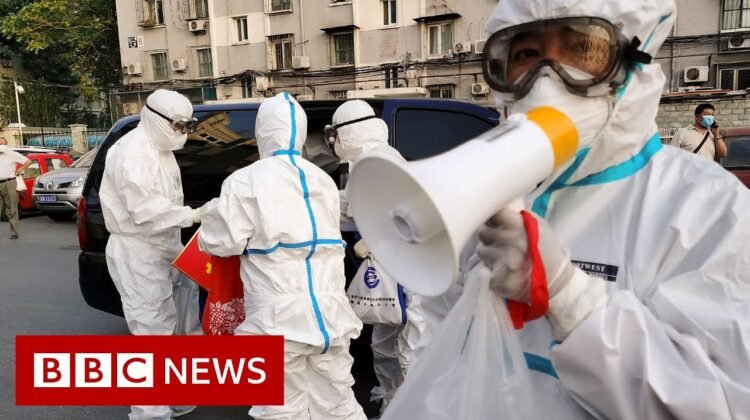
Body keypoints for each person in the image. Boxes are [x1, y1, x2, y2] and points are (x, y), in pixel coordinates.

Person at [413, 0, 750, 418]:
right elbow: (441, 352)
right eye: (526, 54)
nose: (546, 82)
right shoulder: (488, 194)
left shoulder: (709, 210)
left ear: (634, 62)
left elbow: (720, 404)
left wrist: (567, 295)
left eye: (581, 50)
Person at [198, 92, 366, 420]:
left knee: (280, 408)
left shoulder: (245, 181)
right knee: (338, 402)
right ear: (300, 132)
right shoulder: (322, 180)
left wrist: (212, 215)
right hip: (331, 315)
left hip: (276, 320)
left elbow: (220, 242)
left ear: (262, 131)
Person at [100, 89, 202, 420]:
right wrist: (193, 215)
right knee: (151, 332)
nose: (182, 133)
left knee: (179, 323)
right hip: (137, 251)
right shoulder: (131, 152)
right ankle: (150, 413)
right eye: (178, 126)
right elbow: (143, 209)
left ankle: (174, 396)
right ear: (156, 119)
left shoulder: (162, 150)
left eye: (187, 126)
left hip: (164, 245)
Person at [327, 100, 425, 415]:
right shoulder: (366, 162)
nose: (334, 141)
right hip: (389, 273)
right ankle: (393, 404)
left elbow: (408, 214)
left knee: (411, 348)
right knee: (384, 344)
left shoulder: (380, 162)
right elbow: (350, 207)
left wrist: (375, 238)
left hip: (410, 273)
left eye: (336, 134)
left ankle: (413, 411)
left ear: (350, 132)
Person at [0, 137, 31, 240]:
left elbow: (28, 161)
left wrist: (20, 170)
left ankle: (14, 232)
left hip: (9, 183)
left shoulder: (12, 154)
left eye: (2, 144)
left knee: (12, 208)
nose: (1, 146)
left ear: (6, 145)